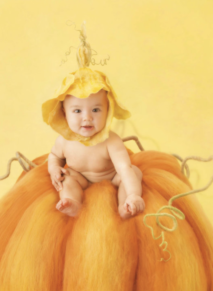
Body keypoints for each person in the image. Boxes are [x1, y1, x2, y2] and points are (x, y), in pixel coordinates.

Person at [47, 88, 145, 219]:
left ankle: (126, 205)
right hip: (80, 179)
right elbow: (55, 156)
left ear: (107, 111)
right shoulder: (64, 140)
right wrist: (54, 168)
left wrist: (134, 194)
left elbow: (124, 168)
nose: (87, 118)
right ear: (65, 113)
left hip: (111, 177)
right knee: (65, 178)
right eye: (77, 111)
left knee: (134, 171)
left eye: (95, 110)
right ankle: (73, 203)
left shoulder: (111, 140)